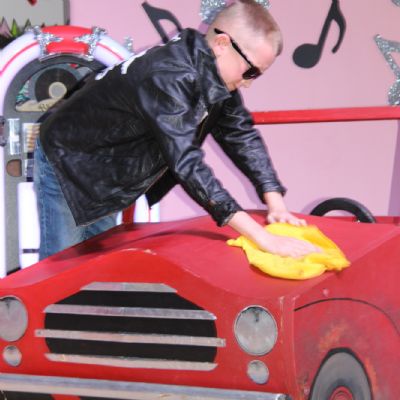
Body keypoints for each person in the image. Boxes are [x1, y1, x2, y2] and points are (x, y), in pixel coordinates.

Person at [34, 0, 319, 260]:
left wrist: (275, 203)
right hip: (68, 162)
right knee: (60, 272)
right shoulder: (168, 76)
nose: (249, 82)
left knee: (92, 268)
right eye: (250, 71)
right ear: (222, 43)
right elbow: (187, 164)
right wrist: (262, 237)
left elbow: (240, 133)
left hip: (107, 170)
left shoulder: (212, 71)